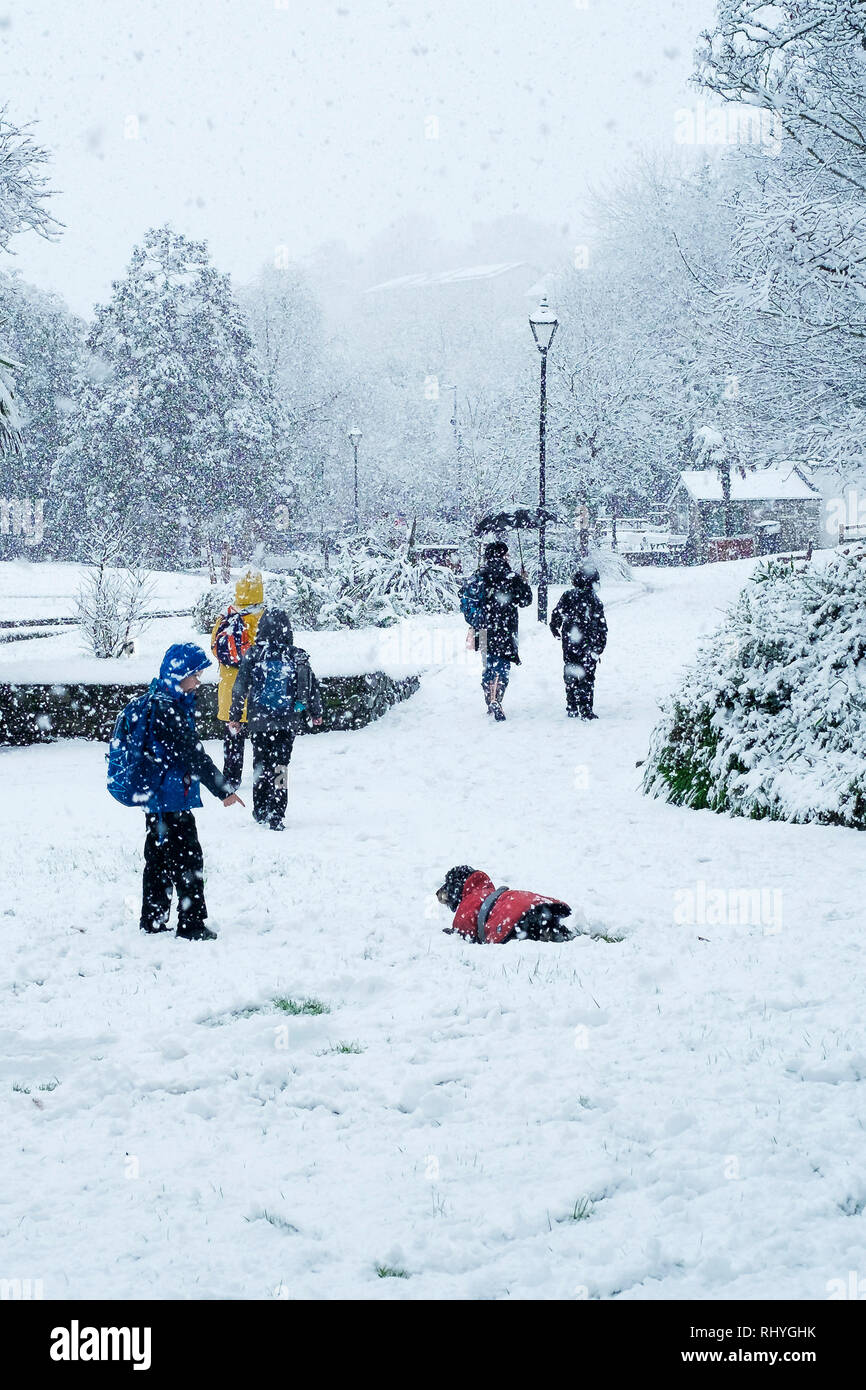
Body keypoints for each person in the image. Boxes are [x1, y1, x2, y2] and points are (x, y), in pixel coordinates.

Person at [140, 644, 244, 939]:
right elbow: (193, 755)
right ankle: (191, 926)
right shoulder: (168, 709)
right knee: (188, 861)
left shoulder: (159, 701)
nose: (198, 681)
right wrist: (223, 789)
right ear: (178, 675)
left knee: (158, 859)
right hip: (171, 797)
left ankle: (154, 919)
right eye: (194, 676)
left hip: (157, 799)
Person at [228, 609, 323, 830]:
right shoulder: (296, 654)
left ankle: (260, 809)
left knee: (261, 764)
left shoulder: (253, 654)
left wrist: (235, 716)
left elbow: (240, 686)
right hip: (287, 721)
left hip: (260, 721)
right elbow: (311, 686)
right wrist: (315, 713)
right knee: (281, 766)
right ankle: (277, 812)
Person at [211, 570, 265, 791]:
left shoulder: (226, 617)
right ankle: (264, 775)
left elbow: (215, 648)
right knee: (263, 740)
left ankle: (231, 779)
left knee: (233, 740)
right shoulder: (263, 617)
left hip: (230, 691)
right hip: (256, 690)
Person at [473, 540, 532, 721]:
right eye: (506, 554)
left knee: (488, 663)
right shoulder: (511, 576)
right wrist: (523, 581)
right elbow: (526, 601)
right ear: (502, 555)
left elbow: (469, 597)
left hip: (482, 627)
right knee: (502, 665)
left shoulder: (479, 574)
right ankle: (496, 697)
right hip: (506, 628)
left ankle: (489, 695)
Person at [549, 564, 608, 719]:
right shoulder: (594, 600)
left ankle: (572, 705)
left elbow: (557, 614)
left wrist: (555, 628)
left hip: (570, 641)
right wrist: (600, 645)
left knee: (571, 671)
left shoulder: (568, 595)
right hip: (590, 642)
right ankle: (586, 708)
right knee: (587, 675)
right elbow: (602, 625)